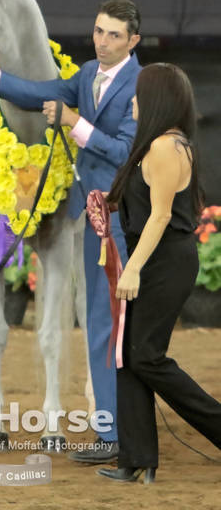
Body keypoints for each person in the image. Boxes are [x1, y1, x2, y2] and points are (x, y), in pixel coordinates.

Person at [0, 0, 142, 463]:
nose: (102, 41)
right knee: (97, 325)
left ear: (133, 40)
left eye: (114, 35)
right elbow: (34, 92)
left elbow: (122, 150)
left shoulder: (140, 85)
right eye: (98, 31)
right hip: (91, 216)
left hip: (122, 217)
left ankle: (135, 425)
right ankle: (109, 432)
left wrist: (73, 123)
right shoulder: (87, 75)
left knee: (122, 329)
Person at [97, 63, 221, 483]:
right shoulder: (154, 145)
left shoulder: (166, 147)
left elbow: (163, 215)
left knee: (145, 355)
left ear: (156, 99)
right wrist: (112, 203)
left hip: (164, 261)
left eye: (138, 94)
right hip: (155, 257)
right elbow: (146, 204)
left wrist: (131, 268)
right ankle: (136, 459)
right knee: (130, 356)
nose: (132, 101)